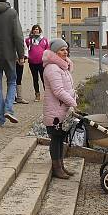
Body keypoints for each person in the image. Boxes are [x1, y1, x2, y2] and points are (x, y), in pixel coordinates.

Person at [42, 39, 77, 179]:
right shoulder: (52, 68)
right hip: (55, 111)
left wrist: (74, 97)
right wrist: (73, 102)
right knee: (56, 140)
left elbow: (68, 88)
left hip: (62, 109)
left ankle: (61, 166)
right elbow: (58, 91)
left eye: (66, 49)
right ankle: (57, 168)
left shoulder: (62, 67)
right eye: (62, 50)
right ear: (55, 52)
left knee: (60, 138)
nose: (65, 52)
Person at [25, 25, 50, 102]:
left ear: (39, 30)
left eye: (37, 29)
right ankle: (37, 94)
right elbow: (25, 48)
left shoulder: (44, 40)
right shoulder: (28, 40)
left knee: (44, 79)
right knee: (35, 79)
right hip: (32, 62)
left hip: (41, 62)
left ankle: (47, 95)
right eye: (34, 29)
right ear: (32, 31)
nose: (36, 31)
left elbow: (47, 50)